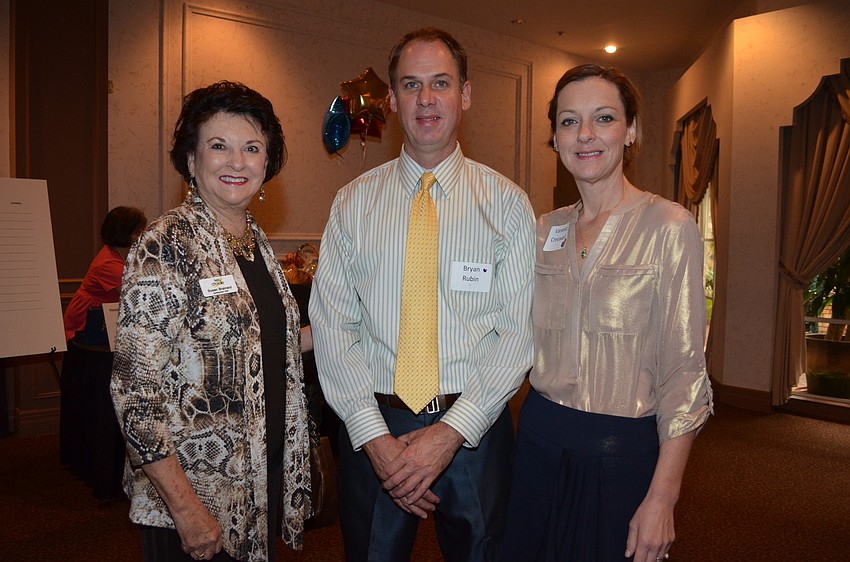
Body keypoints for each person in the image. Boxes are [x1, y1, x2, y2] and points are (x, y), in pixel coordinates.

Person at [310, 27, 535, 562]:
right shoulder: (351, 203)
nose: (426, 99)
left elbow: (516, 333)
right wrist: (376, 440)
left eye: (441, 83)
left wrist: (450, 433)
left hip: (475, 426)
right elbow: (333, 326)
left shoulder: (506, 204)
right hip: (373, 430)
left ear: (466, 94)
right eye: (411, 85)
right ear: (392, 100)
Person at [501, 64, 714, 562]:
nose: (586, 135)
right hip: (538, 443)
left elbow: (685, 373)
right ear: (554, 138)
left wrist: (664, 496)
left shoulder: (669, 226)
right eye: (569, 121)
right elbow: (498, 325)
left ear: (631, 130)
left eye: (604, 118)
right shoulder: (540, 230)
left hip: (623, 454)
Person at [110, 81, 312, 562]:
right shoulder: (166, 244)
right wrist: (186, 509)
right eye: (219, 146)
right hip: (195, 496)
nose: (237, 162)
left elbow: (266, 346)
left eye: (252, 148)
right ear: (192, 160)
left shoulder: (257, 245)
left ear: (267, 162)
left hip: (254, 482)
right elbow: (135, 394)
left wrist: (349, 327)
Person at [62, 206, 147, 342]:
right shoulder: (108, 263)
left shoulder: (121, 254)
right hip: (87, 324)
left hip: (103, 321)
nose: (143, 235)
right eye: (138, 232)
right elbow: (136, 297)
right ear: (123, 234)